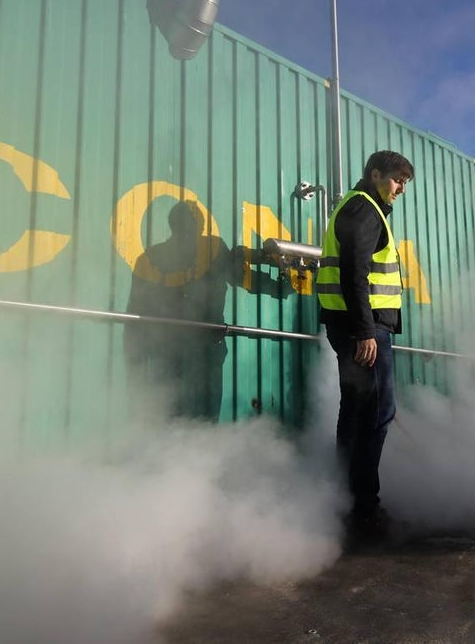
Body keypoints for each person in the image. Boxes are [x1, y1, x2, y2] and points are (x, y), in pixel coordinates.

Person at [317, 150, 414, 538]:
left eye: (405, 183)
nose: (400, 188)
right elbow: (353, 273)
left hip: (357, 326)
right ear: (375, 175)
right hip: (365, 328)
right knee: (376, 413)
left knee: (356, 411)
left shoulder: (360, 208)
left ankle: (346, 501)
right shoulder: (364, 209)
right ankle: (363, 508)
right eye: (395, 179)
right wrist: (364, 331)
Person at [125, 199, 286, 421]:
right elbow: (241, 277)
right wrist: (280, 287)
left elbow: (134, 315)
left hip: (168, 351)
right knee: (206, 416)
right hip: (207, 348)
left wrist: (133, 362)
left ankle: (171, 453)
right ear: (199, 226)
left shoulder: (147, 259)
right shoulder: (212, 248)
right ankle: (201, 452)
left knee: (169, 415)